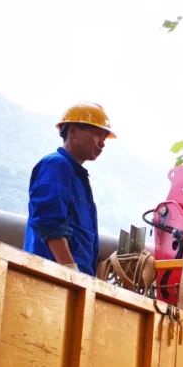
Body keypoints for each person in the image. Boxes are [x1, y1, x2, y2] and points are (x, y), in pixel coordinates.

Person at [24, 103, 114, 275]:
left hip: (67, 278)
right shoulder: (56, 165)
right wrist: (70, 273)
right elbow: (49, 224)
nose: (102, 143)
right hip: (50, 277)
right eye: (97, 134)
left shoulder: (77, 176)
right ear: (72, 131)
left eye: (104, 137)